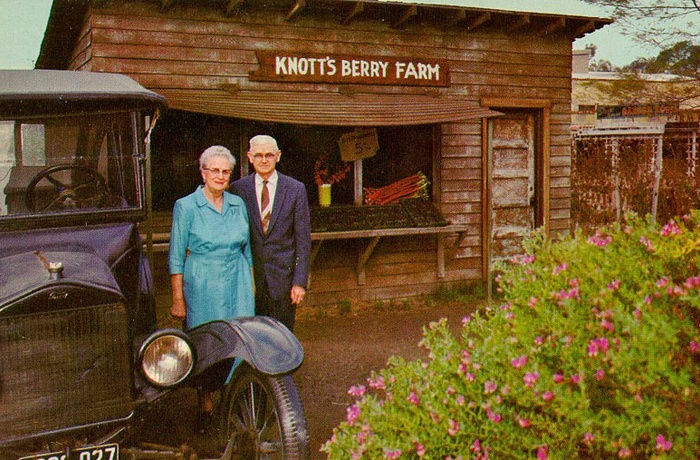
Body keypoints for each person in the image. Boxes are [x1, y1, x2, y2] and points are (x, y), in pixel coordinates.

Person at [169, 145, 254, 432]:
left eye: (225, 171)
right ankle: (205, 405)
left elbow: (248, 249)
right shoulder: (186, 206)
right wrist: (178, 297)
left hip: (238, 277)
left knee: (241, 339)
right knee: (206, 340)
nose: (220, 176)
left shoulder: (237, 204)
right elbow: (176, 256)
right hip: (203, 279)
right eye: (214, 170)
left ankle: (234, 402)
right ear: (203, 172)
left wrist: (251, 284)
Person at [232, 134, 311, 331]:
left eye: (269, 155)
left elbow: (303, 239)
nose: (264, 160)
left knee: (283, 333)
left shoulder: (295, 189)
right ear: (249, 157)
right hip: (250, 278)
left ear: (278, 156)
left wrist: (299, 282)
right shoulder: (237, 189)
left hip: (283, 279)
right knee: (253, 332)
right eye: (258, 155)